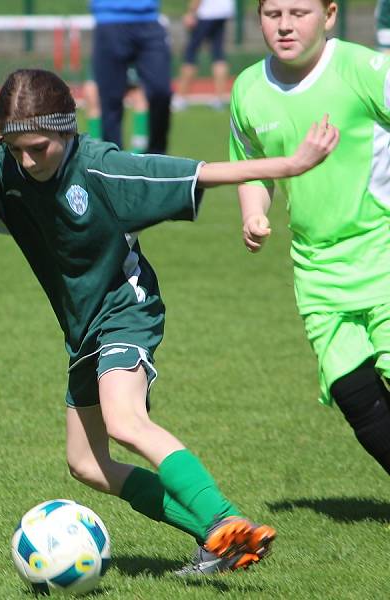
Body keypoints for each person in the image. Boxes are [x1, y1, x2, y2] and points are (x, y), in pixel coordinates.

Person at [0, 69, 339, 573]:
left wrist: (290, 167)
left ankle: (223, 518)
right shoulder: (0, 175)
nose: (29, 161)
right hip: (82, 326)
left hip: (127, 309)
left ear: (67, 130)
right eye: (17, 149)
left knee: (126, 421)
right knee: (86, 464)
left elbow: (203, 172)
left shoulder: (103, 168)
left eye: (39, 148)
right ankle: (212, 538)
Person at [230, 0, 390, 477]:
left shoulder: (363, 68)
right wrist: (253, 213)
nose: (284, 25)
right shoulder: (248, 90)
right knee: (355, 395)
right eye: (272, 13)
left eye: (299, 12)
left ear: (330, 15)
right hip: (317, 267)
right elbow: (248, 165)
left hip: (382, 250)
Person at [89, 0, 172, 153]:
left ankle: (157, 155)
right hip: (109, 19)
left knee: (162, 91)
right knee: (110, 100)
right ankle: (113, 162)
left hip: (149, 19)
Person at [172, 0, 235, 111]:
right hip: (223, 12)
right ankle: (220, 99)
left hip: (206, 13)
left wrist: (191, 12)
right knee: (218, 54)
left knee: (190, 53)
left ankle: (181, 98)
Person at [83, 68, 150, 153]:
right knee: (91, 91)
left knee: (140, 93)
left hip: (129, 60)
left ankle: (139, 150)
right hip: (106, 58)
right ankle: (95, 150)